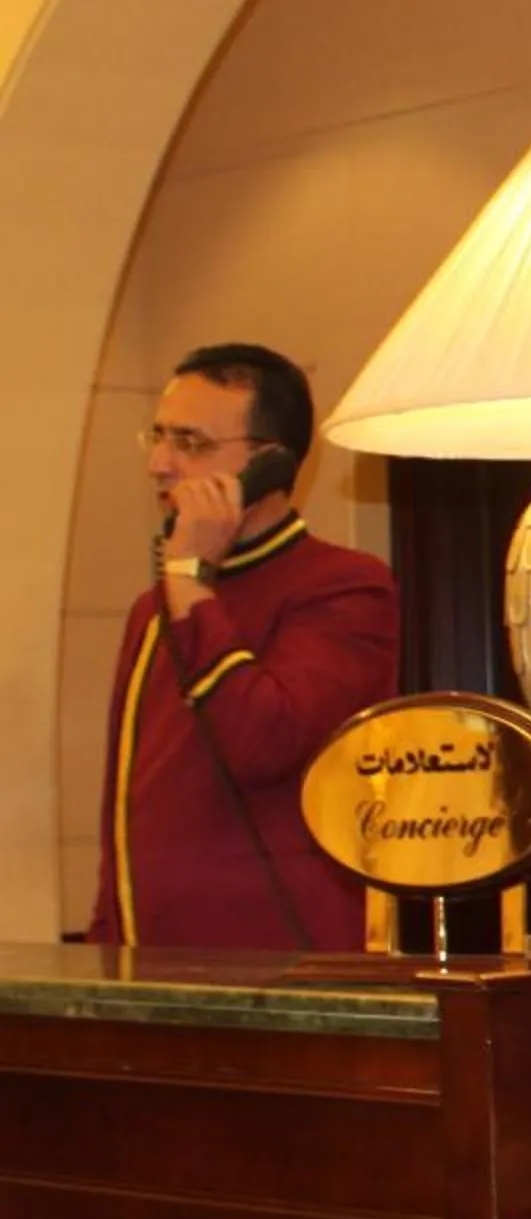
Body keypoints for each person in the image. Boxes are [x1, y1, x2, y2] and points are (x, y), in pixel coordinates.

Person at [88, 344, 400, 951]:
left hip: (281, 962)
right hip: (148, 958)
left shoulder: (343, 585)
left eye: (190, 443)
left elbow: (263, 742)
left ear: (271, 465)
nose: (159, 463)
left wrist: (189, 578)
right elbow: (122, 815)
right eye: (157, 437)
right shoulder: (154, 610)